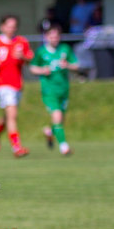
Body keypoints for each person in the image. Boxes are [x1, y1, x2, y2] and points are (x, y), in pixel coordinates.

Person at [0, 14, 34, 158]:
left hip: (17, 84)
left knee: (8, 115)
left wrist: (22, 57)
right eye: (8, 26)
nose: (11, 29)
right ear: (2, 27)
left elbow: (29, 59)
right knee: (12, 115)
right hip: (3, 84)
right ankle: (16, 147)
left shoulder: (21, 42)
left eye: (14, 27)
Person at [30, 25, 78, 156]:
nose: (54, 39)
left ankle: (50, 132)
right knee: (57, 116)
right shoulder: (41, 52)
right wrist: (42, 70)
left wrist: (67, 65)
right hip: (49, 90)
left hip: (63, 89)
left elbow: (76, 65)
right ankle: (64, 147)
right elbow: (32, 68)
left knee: (60, 120)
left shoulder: (65, 49)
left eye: (56, 36)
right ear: (46, 37)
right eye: (51, 36)